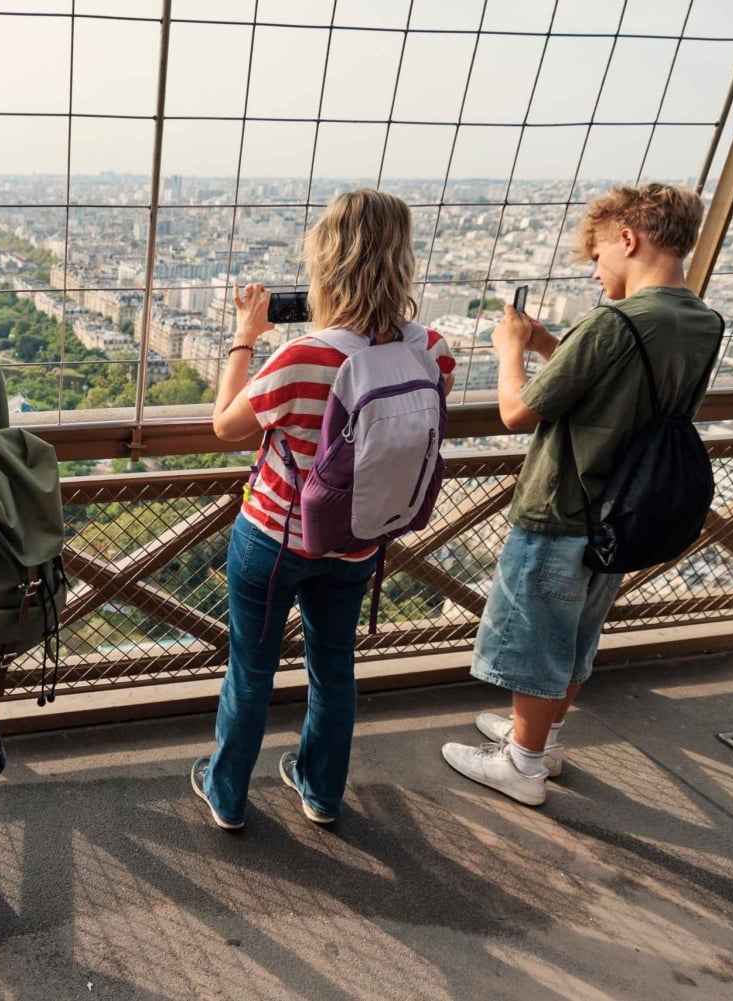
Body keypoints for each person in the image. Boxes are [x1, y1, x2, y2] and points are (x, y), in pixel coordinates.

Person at [441, 182, 719, 806]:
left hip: (564, 503)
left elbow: (518, 410)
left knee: (537, 636)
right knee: (575, 638)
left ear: (630, 238)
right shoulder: (701, 319)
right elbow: (628, 385)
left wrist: (511, 351)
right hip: (627, 508)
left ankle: (522, 763)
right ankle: (541, 738)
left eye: (597, 256)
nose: (595, 271)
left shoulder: (613, 321)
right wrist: (546, 343)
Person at [191, 188, 456, 829]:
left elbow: (226, 426)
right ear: (402, 260)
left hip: (278, 537)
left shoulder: (303, 356)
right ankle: (321, 789)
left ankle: (227, 794)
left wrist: (244, 339)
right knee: (334, 665)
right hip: (361, 536)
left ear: (325, 262)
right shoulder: (433, 349)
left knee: (252, 666)